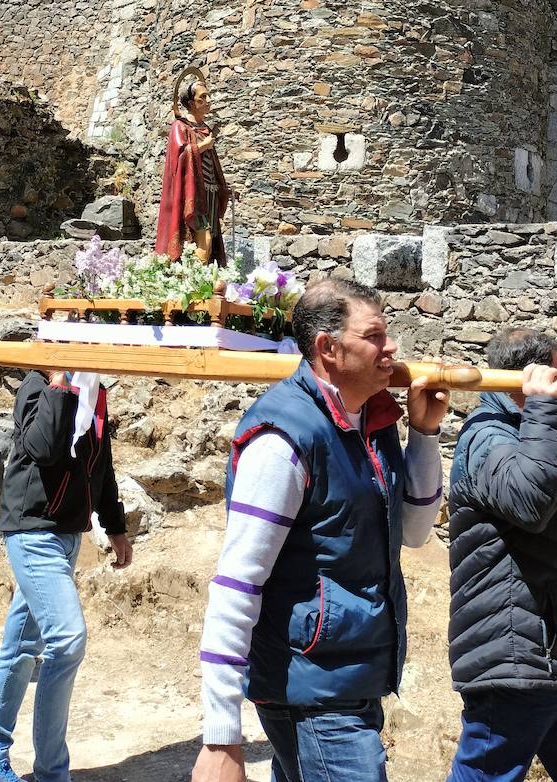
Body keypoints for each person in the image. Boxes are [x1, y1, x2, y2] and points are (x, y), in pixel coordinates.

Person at [192, 277, 448, 782]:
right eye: (374, 335)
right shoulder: (283, 439)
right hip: (309, 687)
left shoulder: (369, 421)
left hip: (353, 678)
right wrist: (221, 737)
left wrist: (424, 434)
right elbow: (237, 583)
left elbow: (414, 533)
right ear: (328, 349)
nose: (391, 346)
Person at [444, 327, 557, 782]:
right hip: (518, 656)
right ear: (532, 375)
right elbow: (531, 501)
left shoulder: (523, 433)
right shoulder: (487, 437)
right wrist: (542, 407)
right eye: (556, 376)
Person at [0, 366, 133, 782]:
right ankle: (51, 772)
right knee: (67, 640)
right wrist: (59, 385)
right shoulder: (36, 385)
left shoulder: (95, 391)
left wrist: (114, 526)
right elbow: (42, 447)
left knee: (20, 646)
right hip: (31, 531)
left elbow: (101, 466)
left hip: (66, 535)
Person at [155, 73, 230, 265]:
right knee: (203, 239)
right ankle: (195, 282)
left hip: (210, 192)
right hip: (192, 193)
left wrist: (223, 187)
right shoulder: (180, 127)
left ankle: (205, 282)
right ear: (190, 102)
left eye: (207, 96)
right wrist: (203, 146)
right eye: (202, 97)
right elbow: (179, 157)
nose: (208, 101)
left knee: (210, 241)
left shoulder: (205, 128)